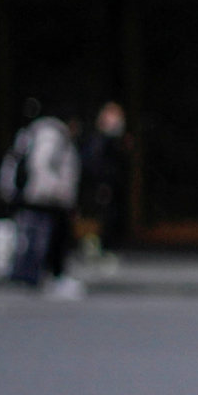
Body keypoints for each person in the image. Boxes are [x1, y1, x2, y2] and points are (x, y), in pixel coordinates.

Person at [0, 100, 82, 297]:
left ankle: (38, 275)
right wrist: (58, 192)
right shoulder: (51, 133)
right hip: (44, 198)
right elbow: (41, 165)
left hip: (42, 196)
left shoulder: (41, 132)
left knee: (41, 235)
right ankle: (39, 275)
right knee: (44, 236)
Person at [77, 101, 132, 270]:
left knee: (111, 216)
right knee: (99, 217)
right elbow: (93, 164)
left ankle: (105, 247)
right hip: (100, 186)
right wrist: (101, 183)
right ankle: (95, 248)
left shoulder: (117, 140)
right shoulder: (99, 140)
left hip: (113, 186)